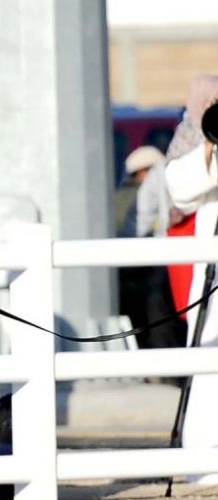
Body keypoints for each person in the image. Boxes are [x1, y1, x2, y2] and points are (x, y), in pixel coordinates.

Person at [164, 75, 218, 484]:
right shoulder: (196, 141)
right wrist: (210, 143)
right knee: (207, 366)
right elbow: (178, 188)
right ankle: (204, 467)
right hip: (212, 285)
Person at [116, 146, 186, 352]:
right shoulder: (165, 169)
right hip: (179, 248)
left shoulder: (161, 171)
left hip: (168, 251)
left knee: (161, 304)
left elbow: (140, 221)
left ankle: (168, 361)